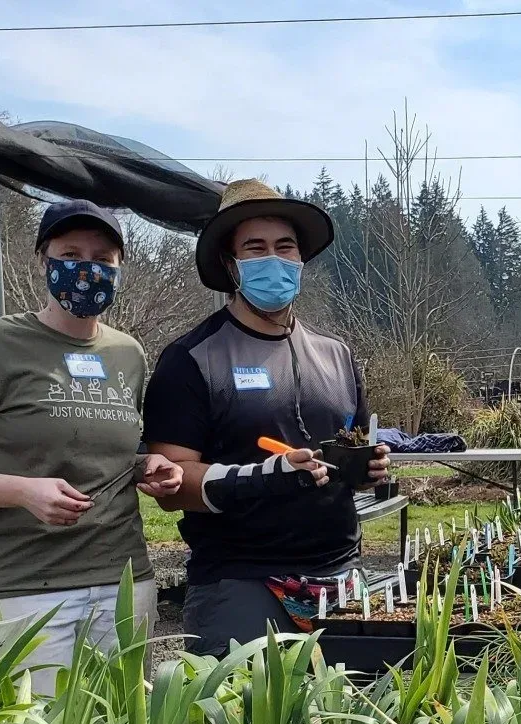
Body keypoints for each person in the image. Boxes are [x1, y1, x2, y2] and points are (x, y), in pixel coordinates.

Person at [0, 199, 184, 692]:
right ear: (43, 260)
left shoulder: (127, 354)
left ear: (121, 268)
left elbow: (116, 448)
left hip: (121, 580)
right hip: (17, 588)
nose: (87, 268)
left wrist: (153, 464)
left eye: (104, 258)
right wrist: (23, 492)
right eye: (71, 253)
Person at [142, 179, 390, 655]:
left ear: (300, 260)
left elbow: (348, 450)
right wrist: (269, 475)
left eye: (285, 247)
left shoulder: (336, 355)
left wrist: (365, 470)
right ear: (229, 264)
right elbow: (171, 489)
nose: (273, 259)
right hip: (241, 583)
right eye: (255, 248)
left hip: (340, 576)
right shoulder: (193, 358)